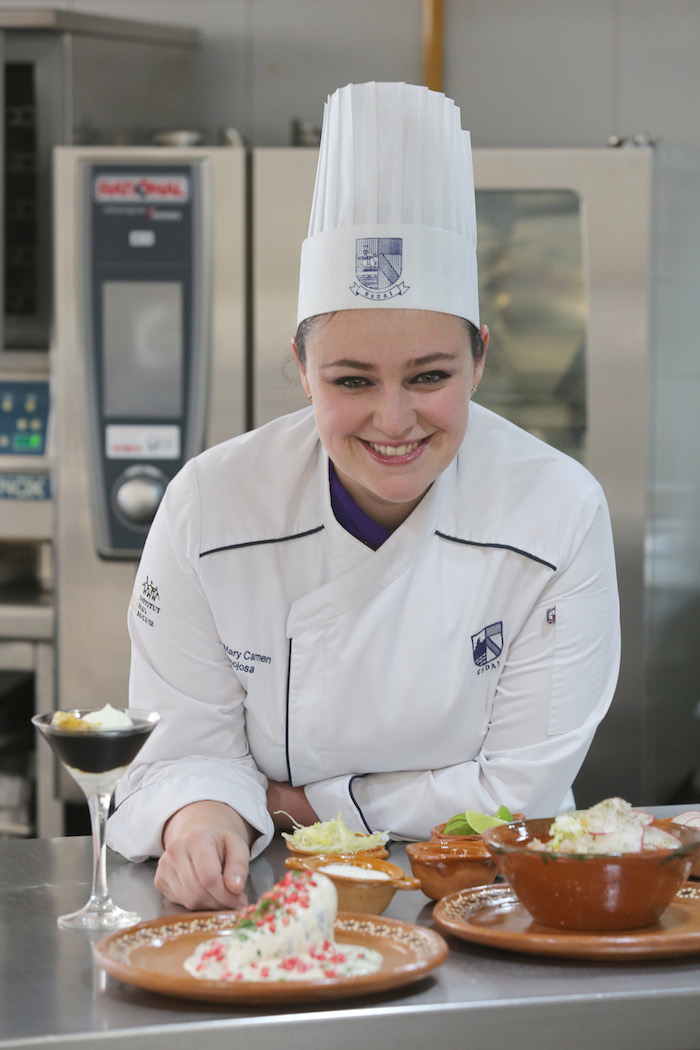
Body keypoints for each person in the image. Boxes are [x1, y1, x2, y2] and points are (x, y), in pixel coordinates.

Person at [107, 82, 620, 910]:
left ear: (480, 359)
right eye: (351, 379)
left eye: (430, 377)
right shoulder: (214, 505)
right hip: (263, 907)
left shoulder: (557, 510)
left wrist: (302, 803)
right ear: (302, 369)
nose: (394, 421)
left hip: (497, 906)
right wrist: (199, 814)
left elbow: (517, 789)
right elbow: (178, 746)